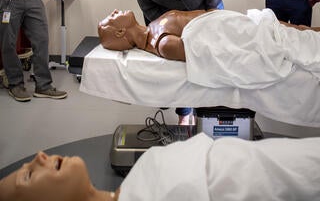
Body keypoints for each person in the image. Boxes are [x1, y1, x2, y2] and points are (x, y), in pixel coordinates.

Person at [1, 134, 320, 201]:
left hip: (277, 159)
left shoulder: (133, 184)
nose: (39, 154)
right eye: (28, 174)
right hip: (291, 174)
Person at [125, 0, 223, 124]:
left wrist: (212, 15)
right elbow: (148, 9)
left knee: (206, 66)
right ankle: (184, 115)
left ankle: (206, 114)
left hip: (207, 15)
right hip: (174, 27)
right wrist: (168, 28)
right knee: (181, 70)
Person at [98, 7, 320, 89]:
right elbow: (214, 51)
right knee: (300, 37)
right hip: (242, 35)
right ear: (119, 32)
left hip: (236, 24)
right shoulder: (163, 43)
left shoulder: (154, 28)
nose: (115, 10)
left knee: (300, 31)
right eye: (112, 17)